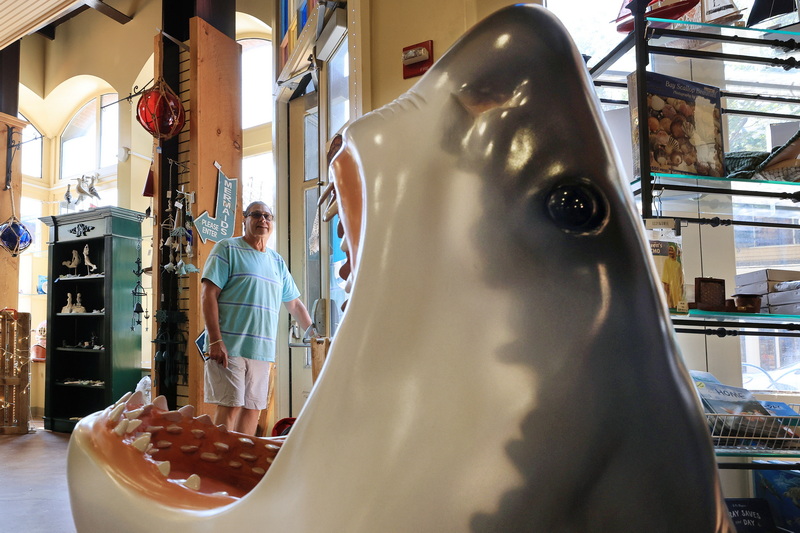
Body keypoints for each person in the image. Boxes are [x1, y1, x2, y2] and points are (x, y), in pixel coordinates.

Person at [201, 201, 313, 435]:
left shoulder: (277, 261)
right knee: (231, 406)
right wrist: (214, 340)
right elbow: (208, 294)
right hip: (229, 347)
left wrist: (313, 335)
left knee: (253, 409)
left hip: (262, 351)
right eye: (256, 215)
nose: (263, 220)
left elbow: (293, 303)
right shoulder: (227, 248)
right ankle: (220, 462)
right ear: (245, 219)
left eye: (268, 216)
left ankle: (241, 463)